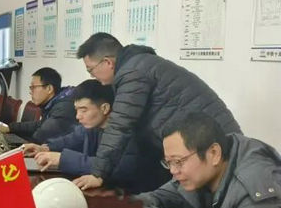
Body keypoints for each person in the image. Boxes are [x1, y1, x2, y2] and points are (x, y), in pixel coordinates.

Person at [73, 33, 241, 191]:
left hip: (212, 145)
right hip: (203, 144)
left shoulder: (133, 73)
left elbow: (120, 125)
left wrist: (98, 174)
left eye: (91, 70)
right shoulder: (139, 65)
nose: (92, 76)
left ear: (108, 62)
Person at [135, 113, 281, 208]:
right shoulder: (197, 175)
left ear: (214, 153)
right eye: (169, 162)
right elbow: (137, 204)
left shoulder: (258, 183)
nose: (173, 171)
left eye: (178, 161)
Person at [27, 79, 168, 193]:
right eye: (76, 110)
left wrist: (63, 159)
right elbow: (71, 139)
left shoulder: (128, 131)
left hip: (135, 198)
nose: (78, 116)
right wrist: (45, 148)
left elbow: (118, 167)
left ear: (105, 108)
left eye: (84, 110)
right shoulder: (92, 126)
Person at [0, 67, 75, 144]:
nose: (30, 92)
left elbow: (39, 138)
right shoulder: (54, 102)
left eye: (33, 87)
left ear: (49, 89)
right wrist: (10, 128)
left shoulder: (63, 108)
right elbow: (41, 124)